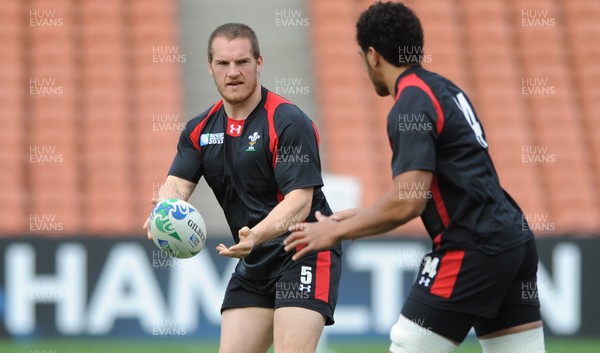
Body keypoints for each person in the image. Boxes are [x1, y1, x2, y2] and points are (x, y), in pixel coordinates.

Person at [284, 2, 545, 353]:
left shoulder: (410, 103)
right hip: (513, 241)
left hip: (471, 248)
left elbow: (409, 199)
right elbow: (443, 185)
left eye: (362, 57)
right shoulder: (444, 89)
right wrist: (357, 219)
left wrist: (337, 230)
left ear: (373, 56)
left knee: (409, 345)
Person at [143, 23, 341, 353]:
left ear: (259, 63)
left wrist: (255, 236)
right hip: (254, 261)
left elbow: (300, 201)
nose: (233, 72)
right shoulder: (199, 131)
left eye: (242, 62)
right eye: (223, 63)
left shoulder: (288, 121)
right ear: (210, 67)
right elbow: (177, 185)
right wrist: (164, 209)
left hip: (304, 250)